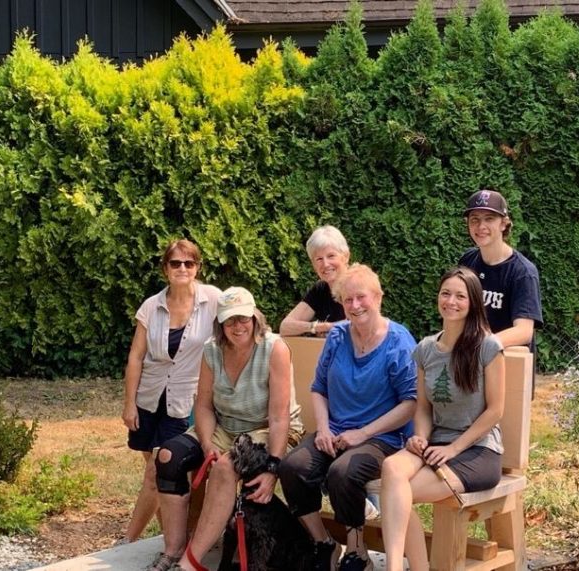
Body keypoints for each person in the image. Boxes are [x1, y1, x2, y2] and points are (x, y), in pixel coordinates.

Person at [149, 287, 305, 571]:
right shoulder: (211, 349)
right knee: (168, 458)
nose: (238, 326)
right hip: (224, 426)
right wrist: (208, 444)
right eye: (230, 320)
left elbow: (280, 417)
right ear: (220, 323)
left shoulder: (275, 348)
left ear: (255, 318)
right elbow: (205, 406)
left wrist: (273, 468)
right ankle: (172, 551)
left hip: (267, 428)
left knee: (224, 468)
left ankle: (190, 563)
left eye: (244, 318)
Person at [279, 264, 417, 571]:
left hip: (383, 438)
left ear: (378, 298)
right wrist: (324, 429)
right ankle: (323, 543)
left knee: (342, 473)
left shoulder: (399, 341)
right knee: (292, 467)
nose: (354, 306)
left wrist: (363, 433)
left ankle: (357, 552)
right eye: (347, 300)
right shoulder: (338, 335)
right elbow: (318, 388)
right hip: (336, 432)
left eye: (361, 298)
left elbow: (411, 403)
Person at [380, 266, 506, 571]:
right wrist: (421, 436)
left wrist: (453, 449)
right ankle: (398, 566)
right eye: (445, 293)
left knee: (399, 493)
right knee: (391, 468)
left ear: (473, 303)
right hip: (436, 444)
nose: (451, 301)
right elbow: (422, 407)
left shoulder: (488, 347)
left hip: (477, 451)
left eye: (460, 296)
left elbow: (495, 410)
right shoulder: (426, 348)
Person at [120, 239, 220, 545]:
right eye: (175, 263)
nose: (182, 269)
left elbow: (243, 324)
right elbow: (136, 356)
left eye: (189, 263)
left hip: (186, 400)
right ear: (165, 269)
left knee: (156, 473)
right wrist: (129, 404)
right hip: (150, 397)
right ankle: (172, 538)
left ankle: (127, 542)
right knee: (156, 476)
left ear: (198, 268)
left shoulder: (213, 300)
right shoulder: (152, 306)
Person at [458, 189, 543, 353]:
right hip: (471, 361)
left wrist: (481, 345)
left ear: (504, 223)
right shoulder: (467, 260)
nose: (481, 226)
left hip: (508, 363)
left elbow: (524, 331)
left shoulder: (523, 272)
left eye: (489, 219)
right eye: (474, 219)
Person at [279, 225, 349, 337]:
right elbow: (285, 327)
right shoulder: (320, 289)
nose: (325, 264)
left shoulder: (358, 284)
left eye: (331, 256)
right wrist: (317, 327)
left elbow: (360, 326)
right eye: (319, 259)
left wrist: (329, 328)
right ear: (313, 264)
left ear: (345, 256)